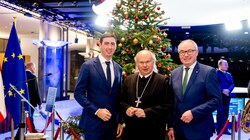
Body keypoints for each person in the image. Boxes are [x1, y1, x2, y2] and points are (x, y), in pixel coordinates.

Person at [167, 39, 222, 140]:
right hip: (178, 130)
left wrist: (194, 113)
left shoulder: (208, 72)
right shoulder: (174, 73)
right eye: (182, 52)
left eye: (189, 51)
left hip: (200, 130)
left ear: (196, 52)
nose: (186, 55)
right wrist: (170, 126)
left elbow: (216, 100)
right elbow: (172, 103)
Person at [74, 32, 123, 140]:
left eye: (112, 44)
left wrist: (119, 121)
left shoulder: (118, 68)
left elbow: (118, 96)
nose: (109, 47)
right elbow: (78, 93)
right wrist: (96, 111)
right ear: (99, 45)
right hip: (93, 123)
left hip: (112, 125)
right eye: (106, 43)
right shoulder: (88, 66)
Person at [120, 50, 174, 140]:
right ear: (137, 63)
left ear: (153, 62)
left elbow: (168, 105)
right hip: (131, 131)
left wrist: (146, 112)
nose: (145, 65)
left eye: (147, 62)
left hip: (153, 131)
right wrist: (127, 109)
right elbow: (120, 101)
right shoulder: (128, 80)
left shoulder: (163, 81)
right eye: (141, 62)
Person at [216, 59, 234, 135]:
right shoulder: (215, 73)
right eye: (225, 64)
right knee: (220, 112)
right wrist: (222, 90)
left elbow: (232, 84)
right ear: (220, 65)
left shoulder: (229, 74)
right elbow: (214, 84)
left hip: (227, 96)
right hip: (219, 96)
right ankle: (219, 129)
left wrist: (228, 90)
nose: (227, 66)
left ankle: (225, 129)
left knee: (226, 112)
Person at [25, 62, 42, 132]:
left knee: (25, 117)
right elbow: (36, 91)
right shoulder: (32, 76)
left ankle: (26, 130)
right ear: (31, 67)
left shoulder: (21, 75)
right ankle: (33, 131)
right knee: (30, 116)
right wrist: (39, 102)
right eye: (34, 67)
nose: (35, 69)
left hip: (22, 101)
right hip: (31, 101)